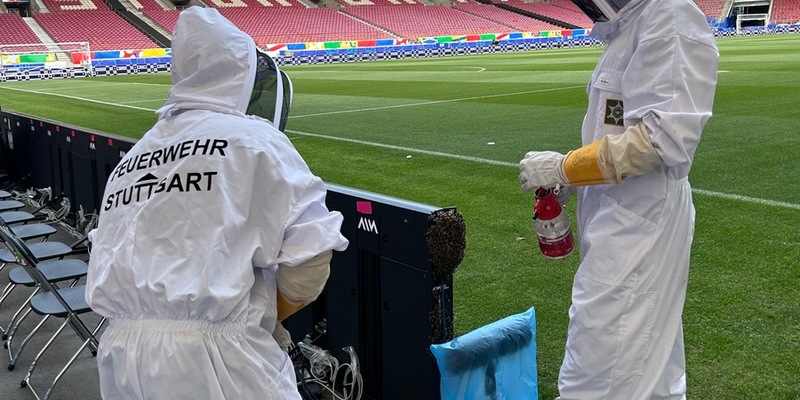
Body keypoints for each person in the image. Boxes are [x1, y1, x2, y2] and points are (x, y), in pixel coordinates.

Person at [85, 7, 349, 399]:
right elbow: (311, 256)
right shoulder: (254, 140)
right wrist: (268, 314)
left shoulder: (137, 154)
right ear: (242, 73)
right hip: (223, 361)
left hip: (122, 359)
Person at [518, 0, 718, 398]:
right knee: (651, 372)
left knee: (593, 377)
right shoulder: (628, 27)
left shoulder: (668, 16)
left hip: (639, 224)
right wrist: (573, 179)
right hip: (620, 217)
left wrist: (564, 167)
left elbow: (662, 140)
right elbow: (613, 134)